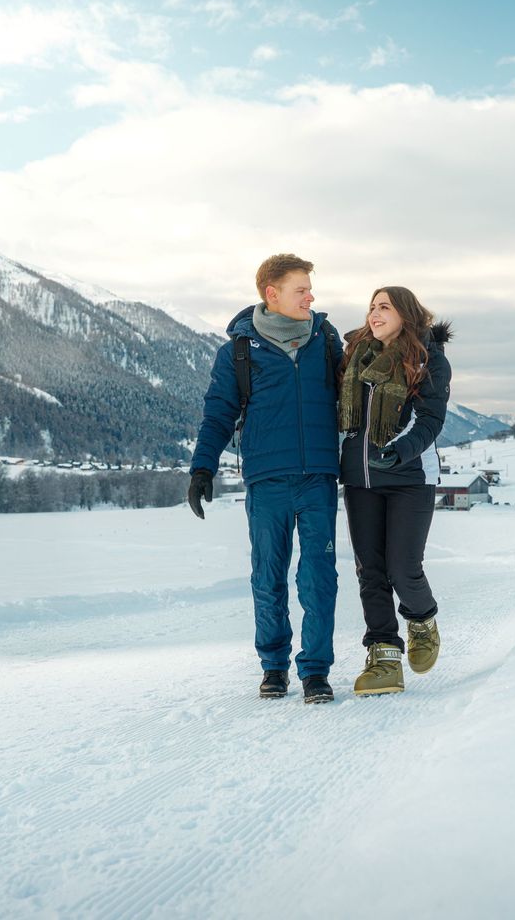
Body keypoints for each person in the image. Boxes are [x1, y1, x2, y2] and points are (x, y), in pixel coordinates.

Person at [188, 254, 343, 704]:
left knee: (318, 577)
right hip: (267, 479)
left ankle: (315, 671)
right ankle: (274, 666)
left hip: (317, 477)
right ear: (272, 294)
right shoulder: (238, 351)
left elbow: (357, 394)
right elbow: (218, 412)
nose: (311, 297)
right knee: (268, 576)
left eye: (310, 289)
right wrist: (202, 468)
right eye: (301, 290)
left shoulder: (326, 340)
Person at [337, 286, 452, 697]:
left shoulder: (426, 359)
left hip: (409, 477)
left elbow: (430, 418)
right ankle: (384, 656)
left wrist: (399, 450)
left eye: (384, 306)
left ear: (406, 313)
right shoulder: (355, 355)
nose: (374, 313)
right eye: (371, 307)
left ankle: (421, 621)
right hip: (360, 480)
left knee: (403, 567)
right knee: (370, 571)